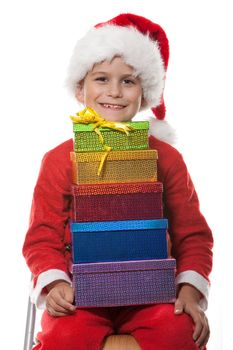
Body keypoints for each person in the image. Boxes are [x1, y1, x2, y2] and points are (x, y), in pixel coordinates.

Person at [23, 13, 213, 350]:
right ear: (81, 89)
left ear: (146, 92)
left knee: (178, 332)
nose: (114, 91)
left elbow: (193, 234)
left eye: (128, 81)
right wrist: (54, 283)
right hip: (79, 293)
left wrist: (190, 290)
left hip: (152, 294)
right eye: (101, 79)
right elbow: (42, 236)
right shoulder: (57, 160)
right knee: (64, 336)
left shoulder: (166, 158)